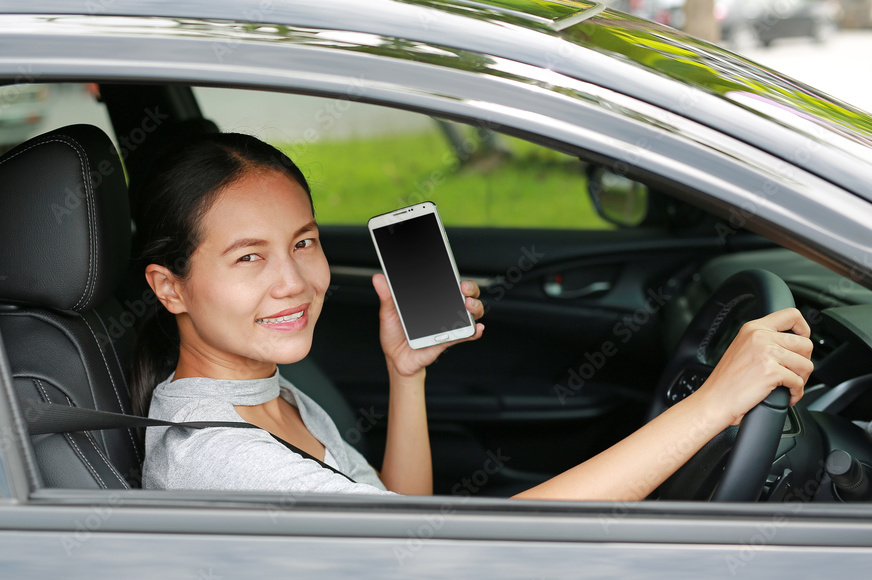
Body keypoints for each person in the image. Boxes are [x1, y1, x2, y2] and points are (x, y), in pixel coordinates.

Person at [131, 133, 814, 500]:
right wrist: (712, 406)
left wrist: (407, 375)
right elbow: (450, 557)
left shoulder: (264, 393)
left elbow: (405, 520)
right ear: (171, 288)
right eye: (249, 258)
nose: (294, 281)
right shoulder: (222, 456)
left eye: (303, 242)